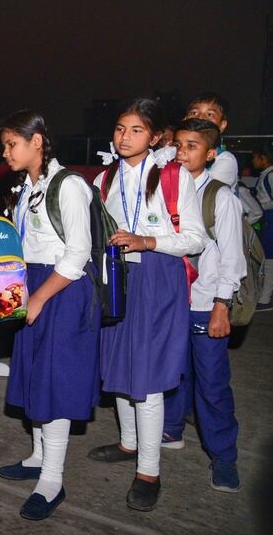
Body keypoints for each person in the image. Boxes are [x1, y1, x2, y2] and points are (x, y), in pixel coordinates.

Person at [86, 99, 206, 512]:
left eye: (136, 130)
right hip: (118, 279)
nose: (125, 137)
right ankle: (128, 443)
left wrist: (148, 240)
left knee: (148, 377)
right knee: (117, 363)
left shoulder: (173, 177)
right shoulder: (104, 179)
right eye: (120, 128)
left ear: (155, 137)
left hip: (157, 279)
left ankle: (149, 471)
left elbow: (195, 238)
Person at [0, 110, 100, 520]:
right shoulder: (28, 186)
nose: (6, 154)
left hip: (61, 290)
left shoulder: (68, 186)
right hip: (35, 284)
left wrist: (38, 299)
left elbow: (77, 253)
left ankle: (52, 481)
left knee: (54, 383)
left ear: (36, 140)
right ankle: (38, 457)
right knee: (35, 376)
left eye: (11, 144)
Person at [162, 118, 245, 491]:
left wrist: (221, 305)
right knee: (173, 374)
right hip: (172, 301)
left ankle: (224, 456)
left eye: (192, 146)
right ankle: (171, 430)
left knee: (212, 384)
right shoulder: (168, 192)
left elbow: (232, 259)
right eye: (178, 144)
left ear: (210, 154)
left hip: (205, 302)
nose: (182, 152)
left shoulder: (221, 197)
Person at [184, 93, 238, 190]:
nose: (200, 118)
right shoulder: (175, 152)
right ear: (185, 119)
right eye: (194, 113)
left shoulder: (225, 160)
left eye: (209, 114)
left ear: (222, 125)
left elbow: (202, 192)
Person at [252, 148, 273, 311]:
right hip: (267, 218)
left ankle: (266, 298)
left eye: (255, 158)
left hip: (270, 217)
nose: (253, 161)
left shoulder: (270, 176)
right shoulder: (265, 175)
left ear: (263, 158)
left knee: (270, 260)